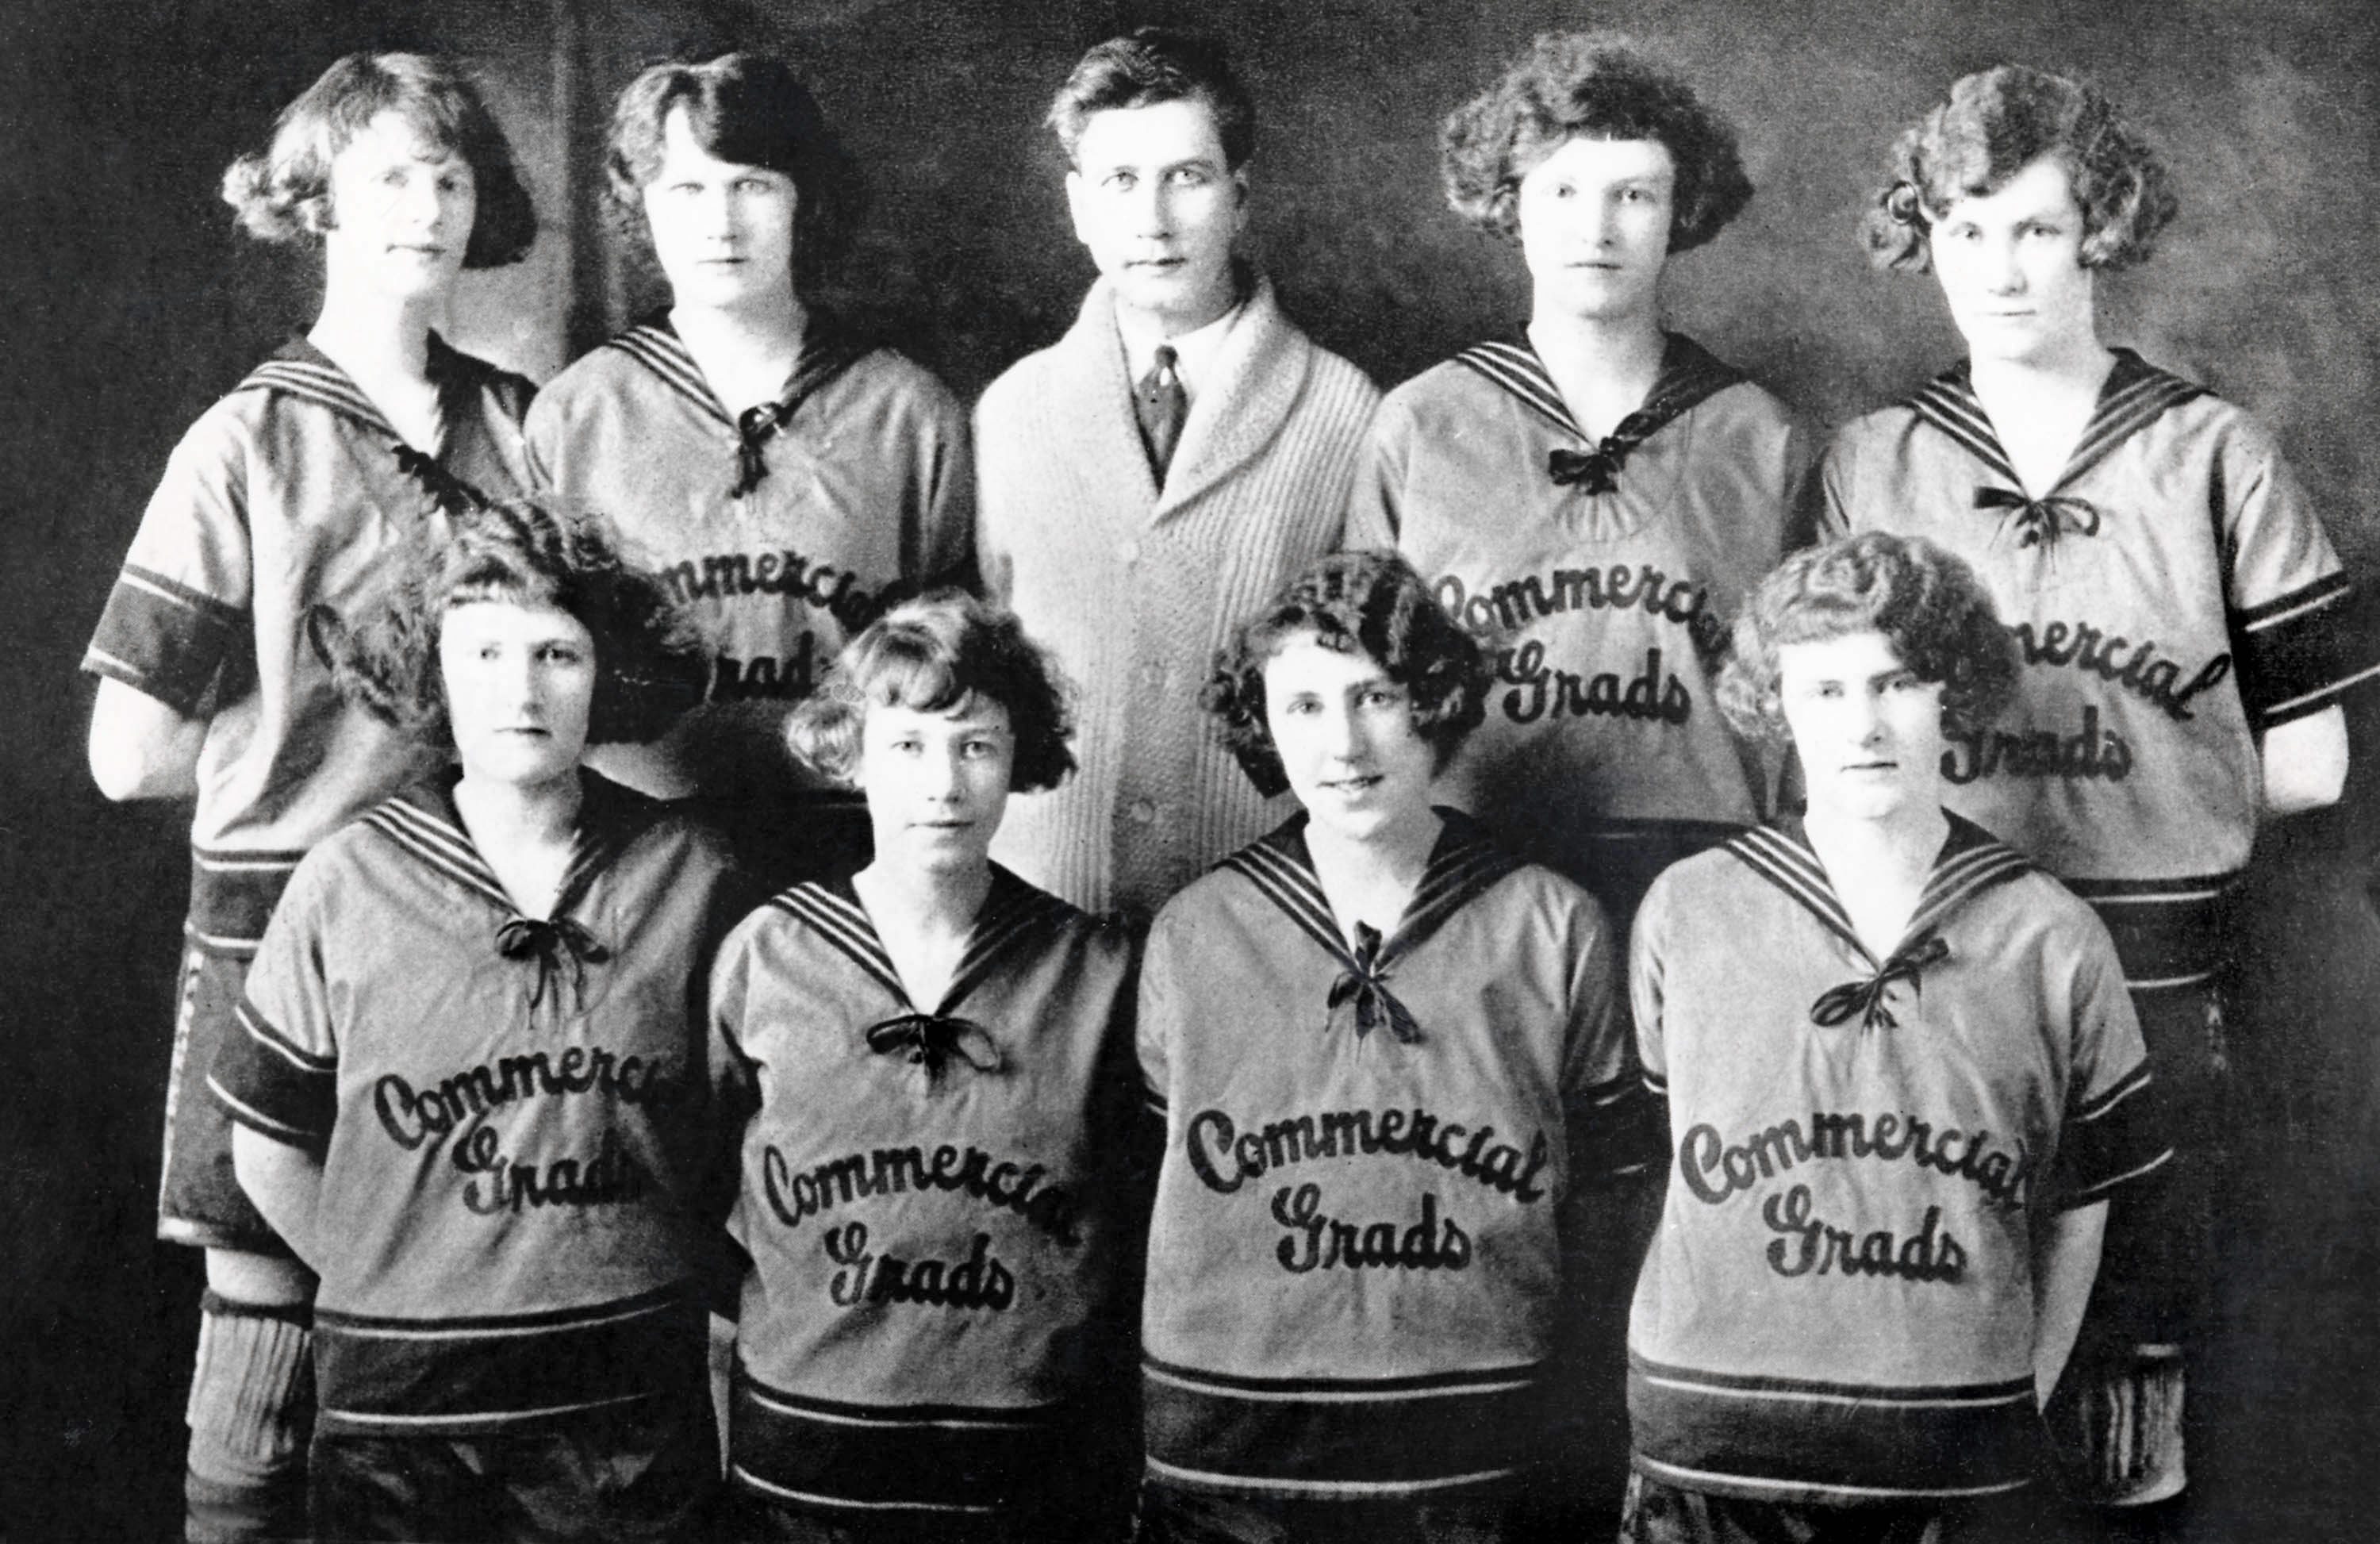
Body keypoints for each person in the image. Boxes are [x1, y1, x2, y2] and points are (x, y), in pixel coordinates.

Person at [1816, 65, 2378, 1510]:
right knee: (1933, 1292)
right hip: (1941, 947)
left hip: (2156, 957)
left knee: (2129, 1384)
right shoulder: (1878, 459)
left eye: (2036, 230)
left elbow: (2312, 760)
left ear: (2100, 235)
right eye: (1966, 231)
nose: (2000, 268)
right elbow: (1816, 736)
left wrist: (2139, 796)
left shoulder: (2211, 450)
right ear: (1923, 239)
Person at [79, 51, 539, 1542]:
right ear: (317, 204)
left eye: (451, 176)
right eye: (391, 175)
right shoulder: (246, 441)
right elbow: (126, 751)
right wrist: (298, 746)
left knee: (471, 1312)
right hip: (286, 932)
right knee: (268, 1321)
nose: (427, 206)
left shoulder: (520, 423)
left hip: (477, 930)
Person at [1622, 532, 2173, 1542]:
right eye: (1825, 689)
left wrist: (2013, 1397)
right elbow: (1660, 1152)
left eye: (1898, 682)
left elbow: (2082, 1207)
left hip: (1952, 1455)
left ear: (1952, 692)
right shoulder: (1686, 909)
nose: (1864, 723)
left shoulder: (2050, 932)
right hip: (1711, 1444)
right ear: (1775, 704)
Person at [209, 498, 743, 1542]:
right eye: (485, 651)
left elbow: (750, 1134)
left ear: (611, 673)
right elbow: (267, 1146)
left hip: (626, 1405)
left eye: (558, 653)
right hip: (400, 1419)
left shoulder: (694, 873)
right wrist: (398, 1278)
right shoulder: (347, 879)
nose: (521, 689)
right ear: (433, 672)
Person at [1134, 551, 1656, 1542]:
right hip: (1234, 1451)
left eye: (1375, 696)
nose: (1343, 742)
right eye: (1304, 706)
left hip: (1481, 1443)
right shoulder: (1195, 930)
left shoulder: (1552, 922)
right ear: (1263, 725)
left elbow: (1613, 1203)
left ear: (1434, 701)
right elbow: (1137, 1193)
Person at [1348, 31, 1813, 933]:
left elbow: (1809, 713)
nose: (1596, 228)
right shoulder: (1423, 422)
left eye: (1634, 194)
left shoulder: (1758, 434)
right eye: (1561, 190)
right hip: (1470, 878)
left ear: (1680, 212)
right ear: (1510, 202)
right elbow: (1360, 685)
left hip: (1709, 882)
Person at [711, 593, 1141, 1542]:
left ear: (1020, 759)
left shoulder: (1096, 968)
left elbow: (1133, 1223)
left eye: (976, 745)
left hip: (1027, 1470)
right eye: (907, 745)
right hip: (807, 1463)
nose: (943, 783)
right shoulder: (768, 954)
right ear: (852, 754)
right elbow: (693, 1190)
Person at [528, 51, 973, 887]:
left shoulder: (911, 413)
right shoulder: (575, 415)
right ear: (640, 207)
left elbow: (958, 673)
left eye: (753, 186)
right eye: (686, 191)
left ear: (805, 199)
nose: (721, 223)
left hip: (858, 850)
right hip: (636, 856)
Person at [976, 25, 1381, 918]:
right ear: (1078, 207)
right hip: (1039, 907)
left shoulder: (1345, 409)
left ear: (1240, 197)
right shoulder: (1011, 411)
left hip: (1265, 907)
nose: (1153, 220)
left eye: (1188, 177)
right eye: (1121, 181)